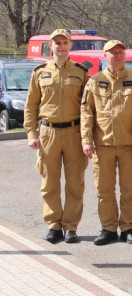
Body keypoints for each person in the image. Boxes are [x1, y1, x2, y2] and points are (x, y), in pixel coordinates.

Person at [24, 29, 89, 244]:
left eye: (64, 42)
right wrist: (31, 133)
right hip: (47, 133)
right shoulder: (40, 72)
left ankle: (70, 227)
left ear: (70, 45)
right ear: (50, 46)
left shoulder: (81, 72)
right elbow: (30, 106)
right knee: (49, 182)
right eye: (57, 43)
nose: (61, 46)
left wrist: (87, 137)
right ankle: (54, 225)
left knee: (75, 182)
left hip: (74, 132)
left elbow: (88, 107)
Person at [80, 40, 132, 246]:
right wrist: (86, 140)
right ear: (104, 56)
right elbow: (86, 113)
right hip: (102, 146)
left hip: (129, 145)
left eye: (121, 52)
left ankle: (128, 228)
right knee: (104, 190)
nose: (118, 55)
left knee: (129, 189)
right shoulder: (94, 81)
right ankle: (108, 228)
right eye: (113, 53)